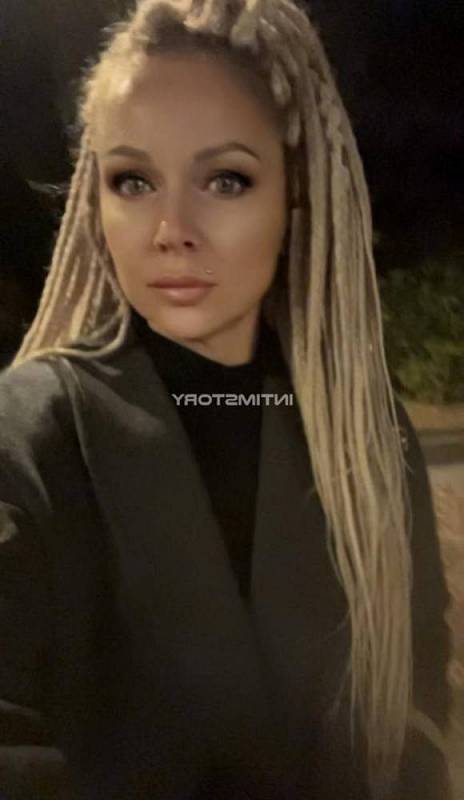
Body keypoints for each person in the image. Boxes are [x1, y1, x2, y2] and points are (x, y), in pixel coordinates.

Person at [0, 0, 452, 797]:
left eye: (225, 179)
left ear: (293, 198)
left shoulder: (368, 437)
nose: (171, 228)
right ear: (94, 206)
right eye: (133, 181)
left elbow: (416, 717)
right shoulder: (31, 434)